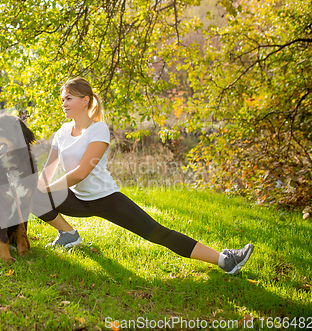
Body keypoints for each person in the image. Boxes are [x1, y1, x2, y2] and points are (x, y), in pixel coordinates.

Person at [31, 77, 254, 274]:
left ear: (86, 100)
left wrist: (47, 189)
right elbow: (48, 170)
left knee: (157, 233)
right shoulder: (61, 132)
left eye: (69, 98)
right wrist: (39, 189)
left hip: (106, 198)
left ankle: (225, 260)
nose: (64, 103)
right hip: (76, 199)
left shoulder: (97, 129)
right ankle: (68, 234)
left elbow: (81, 172)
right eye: (62, 99)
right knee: (31, 193)